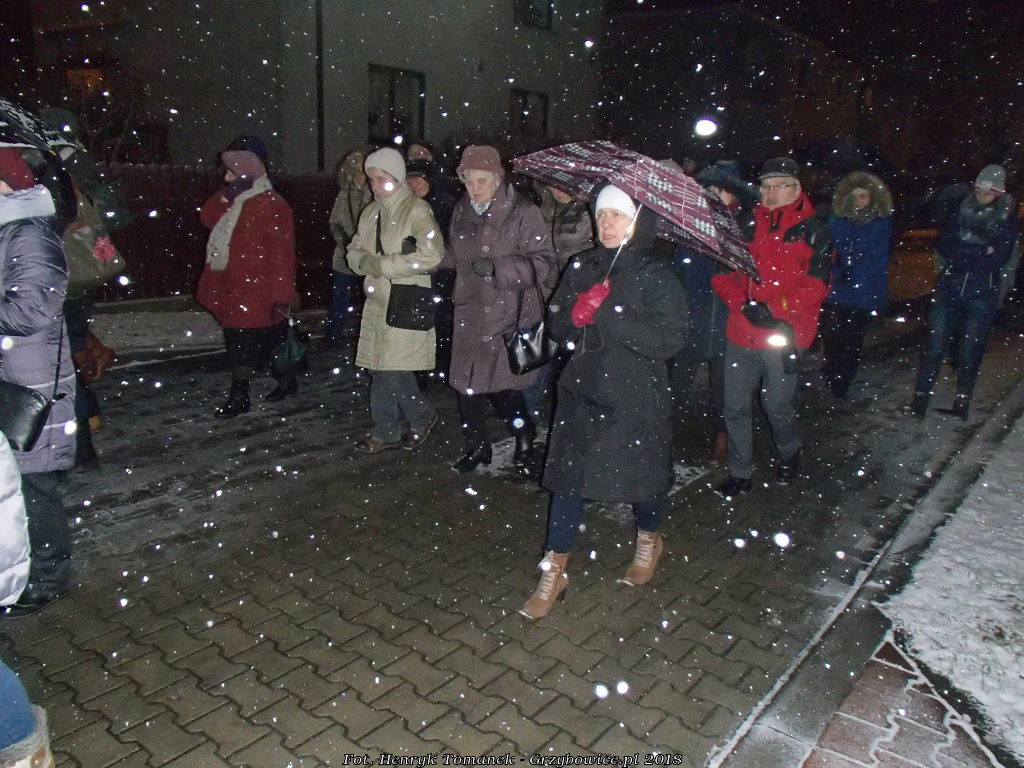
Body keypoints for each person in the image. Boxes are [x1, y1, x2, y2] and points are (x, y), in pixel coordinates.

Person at [520, 185, 687, 619]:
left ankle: (649, 538)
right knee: (567, 481)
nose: (607, 224)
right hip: (582, 390)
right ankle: (554, 572)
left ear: (638, 221)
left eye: (618, 215)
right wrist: (573, 316)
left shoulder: (656, 272)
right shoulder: (583, 264)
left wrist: (611, 313)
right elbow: (557, 324)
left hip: (635, 396)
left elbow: (669, 340)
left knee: (641, 479)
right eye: (601, 215)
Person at [711, 157, 832, 498]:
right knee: (735, 406)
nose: (770, 193)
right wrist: (742, 303)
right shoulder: (745, 224)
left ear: (796, 189)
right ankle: (740, 471)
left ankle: (790, 451)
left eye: (779, 186)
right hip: (742, 331)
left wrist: (774, 308)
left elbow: (817, 285)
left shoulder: (814, 229)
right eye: (765, 186)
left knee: (777, 405)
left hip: (783, 333)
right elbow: (722, 273)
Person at [442, 145, 557, 475]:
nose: (474, 188)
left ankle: (524, 434)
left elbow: (544, 264)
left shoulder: (524, 212)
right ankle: (478, 447)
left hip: (507, 313)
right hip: (469, 309)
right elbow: (456, 256)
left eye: (481, 180)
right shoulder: (462, 210)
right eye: (468, 180)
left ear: (497, 178)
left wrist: (497, 268)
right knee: (466, 385)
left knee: (503, 388)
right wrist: (430, 256)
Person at [0, 147, 77, 617]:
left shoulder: (28, 233)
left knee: (33, 484)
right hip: (10, 371)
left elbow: (31, 310)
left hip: (27, 379)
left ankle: (49, 572)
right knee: (13, 483)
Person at [346, 147, 442, 452]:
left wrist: (383, 265)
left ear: (398, 178)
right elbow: (354, 249)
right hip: (376, 301)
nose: (376, 186)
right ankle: (393, 428)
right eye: (372, 179)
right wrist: (362, 262)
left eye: (382, 178)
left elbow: (431, 255)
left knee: (391, 368)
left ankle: (410, 420)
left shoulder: (417, 210)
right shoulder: (371, 213)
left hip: (404, 300)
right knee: (378, 367)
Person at [907, 165, 1019, 419]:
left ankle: (962, 402)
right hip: (949, 288)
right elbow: (945, 246)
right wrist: (980, 250)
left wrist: (964, 252)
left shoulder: (1007, 219)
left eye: (990, 190)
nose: (983, 194)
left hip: (982, 293)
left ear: (999, 192)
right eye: (980, 188)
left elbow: (998, 259)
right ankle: (919, 401)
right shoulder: (960, 210)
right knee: (934, 347)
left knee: (970, 350)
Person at [196, 149, 297, 416]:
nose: (227, 178)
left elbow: (283, 253)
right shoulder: (234, 199)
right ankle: (282, 380)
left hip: (258, 289)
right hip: (232, 285)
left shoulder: (272, 204)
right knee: (251, 339)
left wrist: (282, 294)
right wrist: (226, 196)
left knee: (249, 341)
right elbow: (207, 217)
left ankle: (242, 394)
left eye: (232, 172)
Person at [671, 161, 755, 465]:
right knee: (676, 384)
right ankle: (665, 434)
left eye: (719, 190)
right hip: (693, 315)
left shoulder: (746, 228)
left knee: (724, 389)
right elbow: (680, 269)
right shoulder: (693, 224)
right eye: (708, 189)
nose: (713, 195)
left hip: (727, 318)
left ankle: (723, 438)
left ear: (734, 194)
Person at [819, 171, 893, 399]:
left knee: (852, 339)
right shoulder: (839, 222)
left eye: (863, 196)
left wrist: (853, 269)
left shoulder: (880, 224)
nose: (858, 200)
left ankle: (842, 381)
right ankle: (834, 372)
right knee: (831, 336)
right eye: (854, 196)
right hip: (838, 288)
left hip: (863, 291)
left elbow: (875, 259)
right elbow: (831, 250)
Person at [326, 148, 374, 344]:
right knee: (340, 298)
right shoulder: (345, 194)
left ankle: (366, 338)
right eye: (356, 172)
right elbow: (334, 222)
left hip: (368, 256)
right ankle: (334, 336)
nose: (360, 176)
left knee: (369, 300)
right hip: (344, 256)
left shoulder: (374, 194)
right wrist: (346, 244)